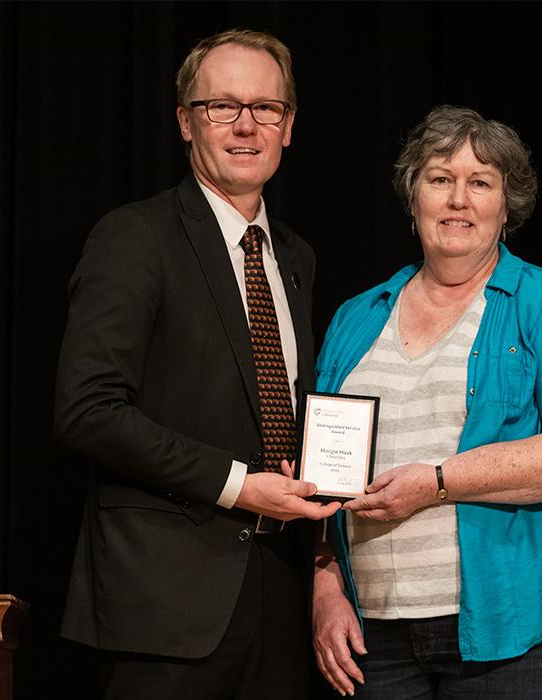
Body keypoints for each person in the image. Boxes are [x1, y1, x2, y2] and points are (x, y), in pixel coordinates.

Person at [55, 29, 339, 698]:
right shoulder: (136, 237)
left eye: (266, 108)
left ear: (289, 126)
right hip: (163, 607)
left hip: (279, 592)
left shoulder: (296, 259)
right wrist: (240, 485)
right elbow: (87, 410)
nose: (247, 126)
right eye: (222, 106)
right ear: (186, 122)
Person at [310, 105, 542, 698]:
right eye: (439, 179)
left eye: (480, 183)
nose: (458, 199)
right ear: (412, 198)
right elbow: (324, 475)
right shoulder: (356, 317)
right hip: (373, 639)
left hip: (525, 635)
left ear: (507, 208)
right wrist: (325, 586)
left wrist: (437, 482)